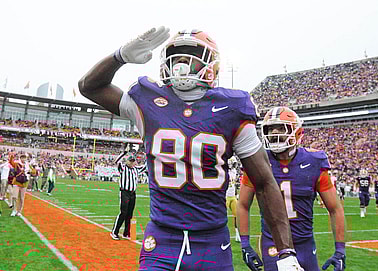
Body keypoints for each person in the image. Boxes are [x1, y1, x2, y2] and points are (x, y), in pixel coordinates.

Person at [79, 27, 300, 270]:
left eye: (190, 54)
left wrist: (286, 253)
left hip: (212, 243)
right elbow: (89, 87)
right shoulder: (147, 99)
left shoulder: (233, 107)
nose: (181, 60)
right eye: (177, 53)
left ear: (212, 64)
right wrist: (120, 56)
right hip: (161, 240)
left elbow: (264, 182)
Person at [237, 107, 346, 271]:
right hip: (272, 243)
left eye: (281, 128)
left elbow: (335, 208)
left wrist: (340, 250)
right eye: (270, 129)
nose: (274, 133)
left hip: (305, 242)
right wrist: (245, 244)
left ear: (297, 132)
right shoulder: (258, 161)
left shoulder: (314, 161)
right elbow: (243, 204)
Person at [111, 146, 146, 240]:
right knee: (123, 212)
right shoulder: (123, 168)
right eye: (130, 161)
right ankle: (115, 232)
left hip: (133, 193)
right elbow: (116, 162)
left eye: (133, 161)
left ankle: (126, 232)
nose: (132, 162)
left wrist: (148, 155)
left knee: (130, 214)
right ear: (127, 161)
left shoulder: (136, 169)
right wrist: (124, 153)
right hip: (124, 192)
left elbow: (146, 166)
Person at [226, 156, 241, 243]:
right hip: (226, 196)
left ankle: (237, 234)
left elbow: (234, 184)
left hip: (233, 196)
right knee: (223, 216)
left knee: (237, 215)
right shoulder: (225, 171)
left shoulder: (234, 171)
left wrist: (236, 194)